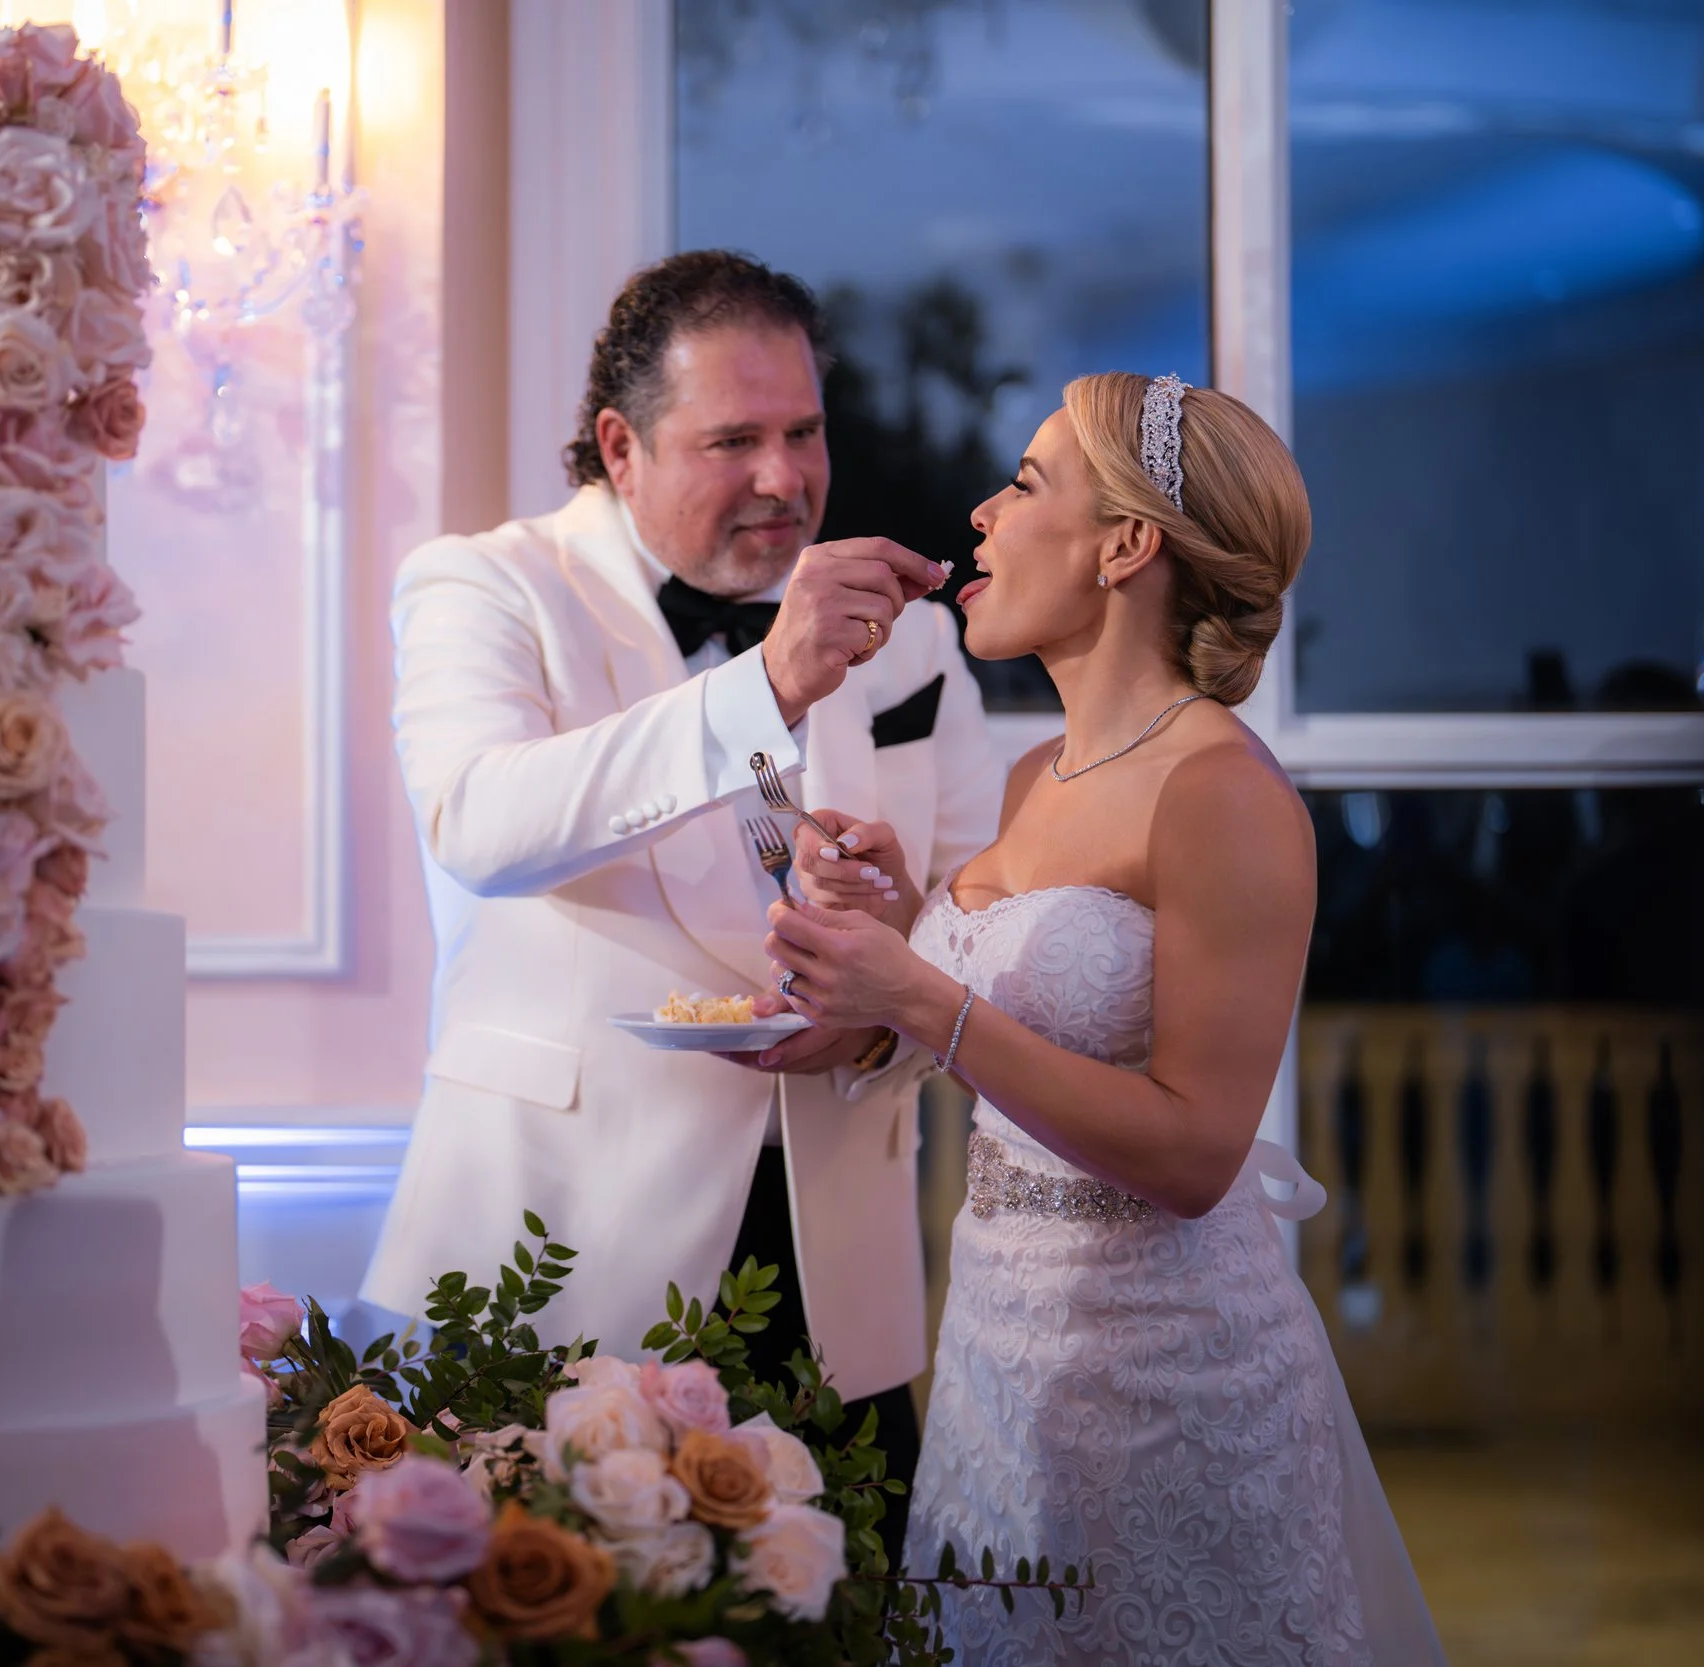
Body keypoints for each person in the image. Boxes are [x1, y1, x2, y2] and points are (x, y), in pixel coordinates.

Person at [762, 373, 1444, 1662]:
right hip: (993, 1350)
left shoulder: (1222, 794)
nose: (979, 514)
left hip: (1164, 1379)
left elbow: (1194, 1152)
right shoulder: (1039, 770)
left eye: (1022, 484)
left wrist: (918, 988)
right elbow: (1012, 1015)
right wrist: (896, 919)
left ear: (1126, 544)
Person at [364, 252, 1009, 1531]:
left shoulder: (914, 640)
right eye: (733, 439)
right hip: (555, 1245)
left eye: (804, 430)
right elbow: (478, 822)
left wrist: (884, 1000)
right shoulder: (487, 583)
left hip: (833, 1267)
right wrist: (759, 687)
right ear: (620, 442)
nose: (785, 476)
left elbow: (968, 911)